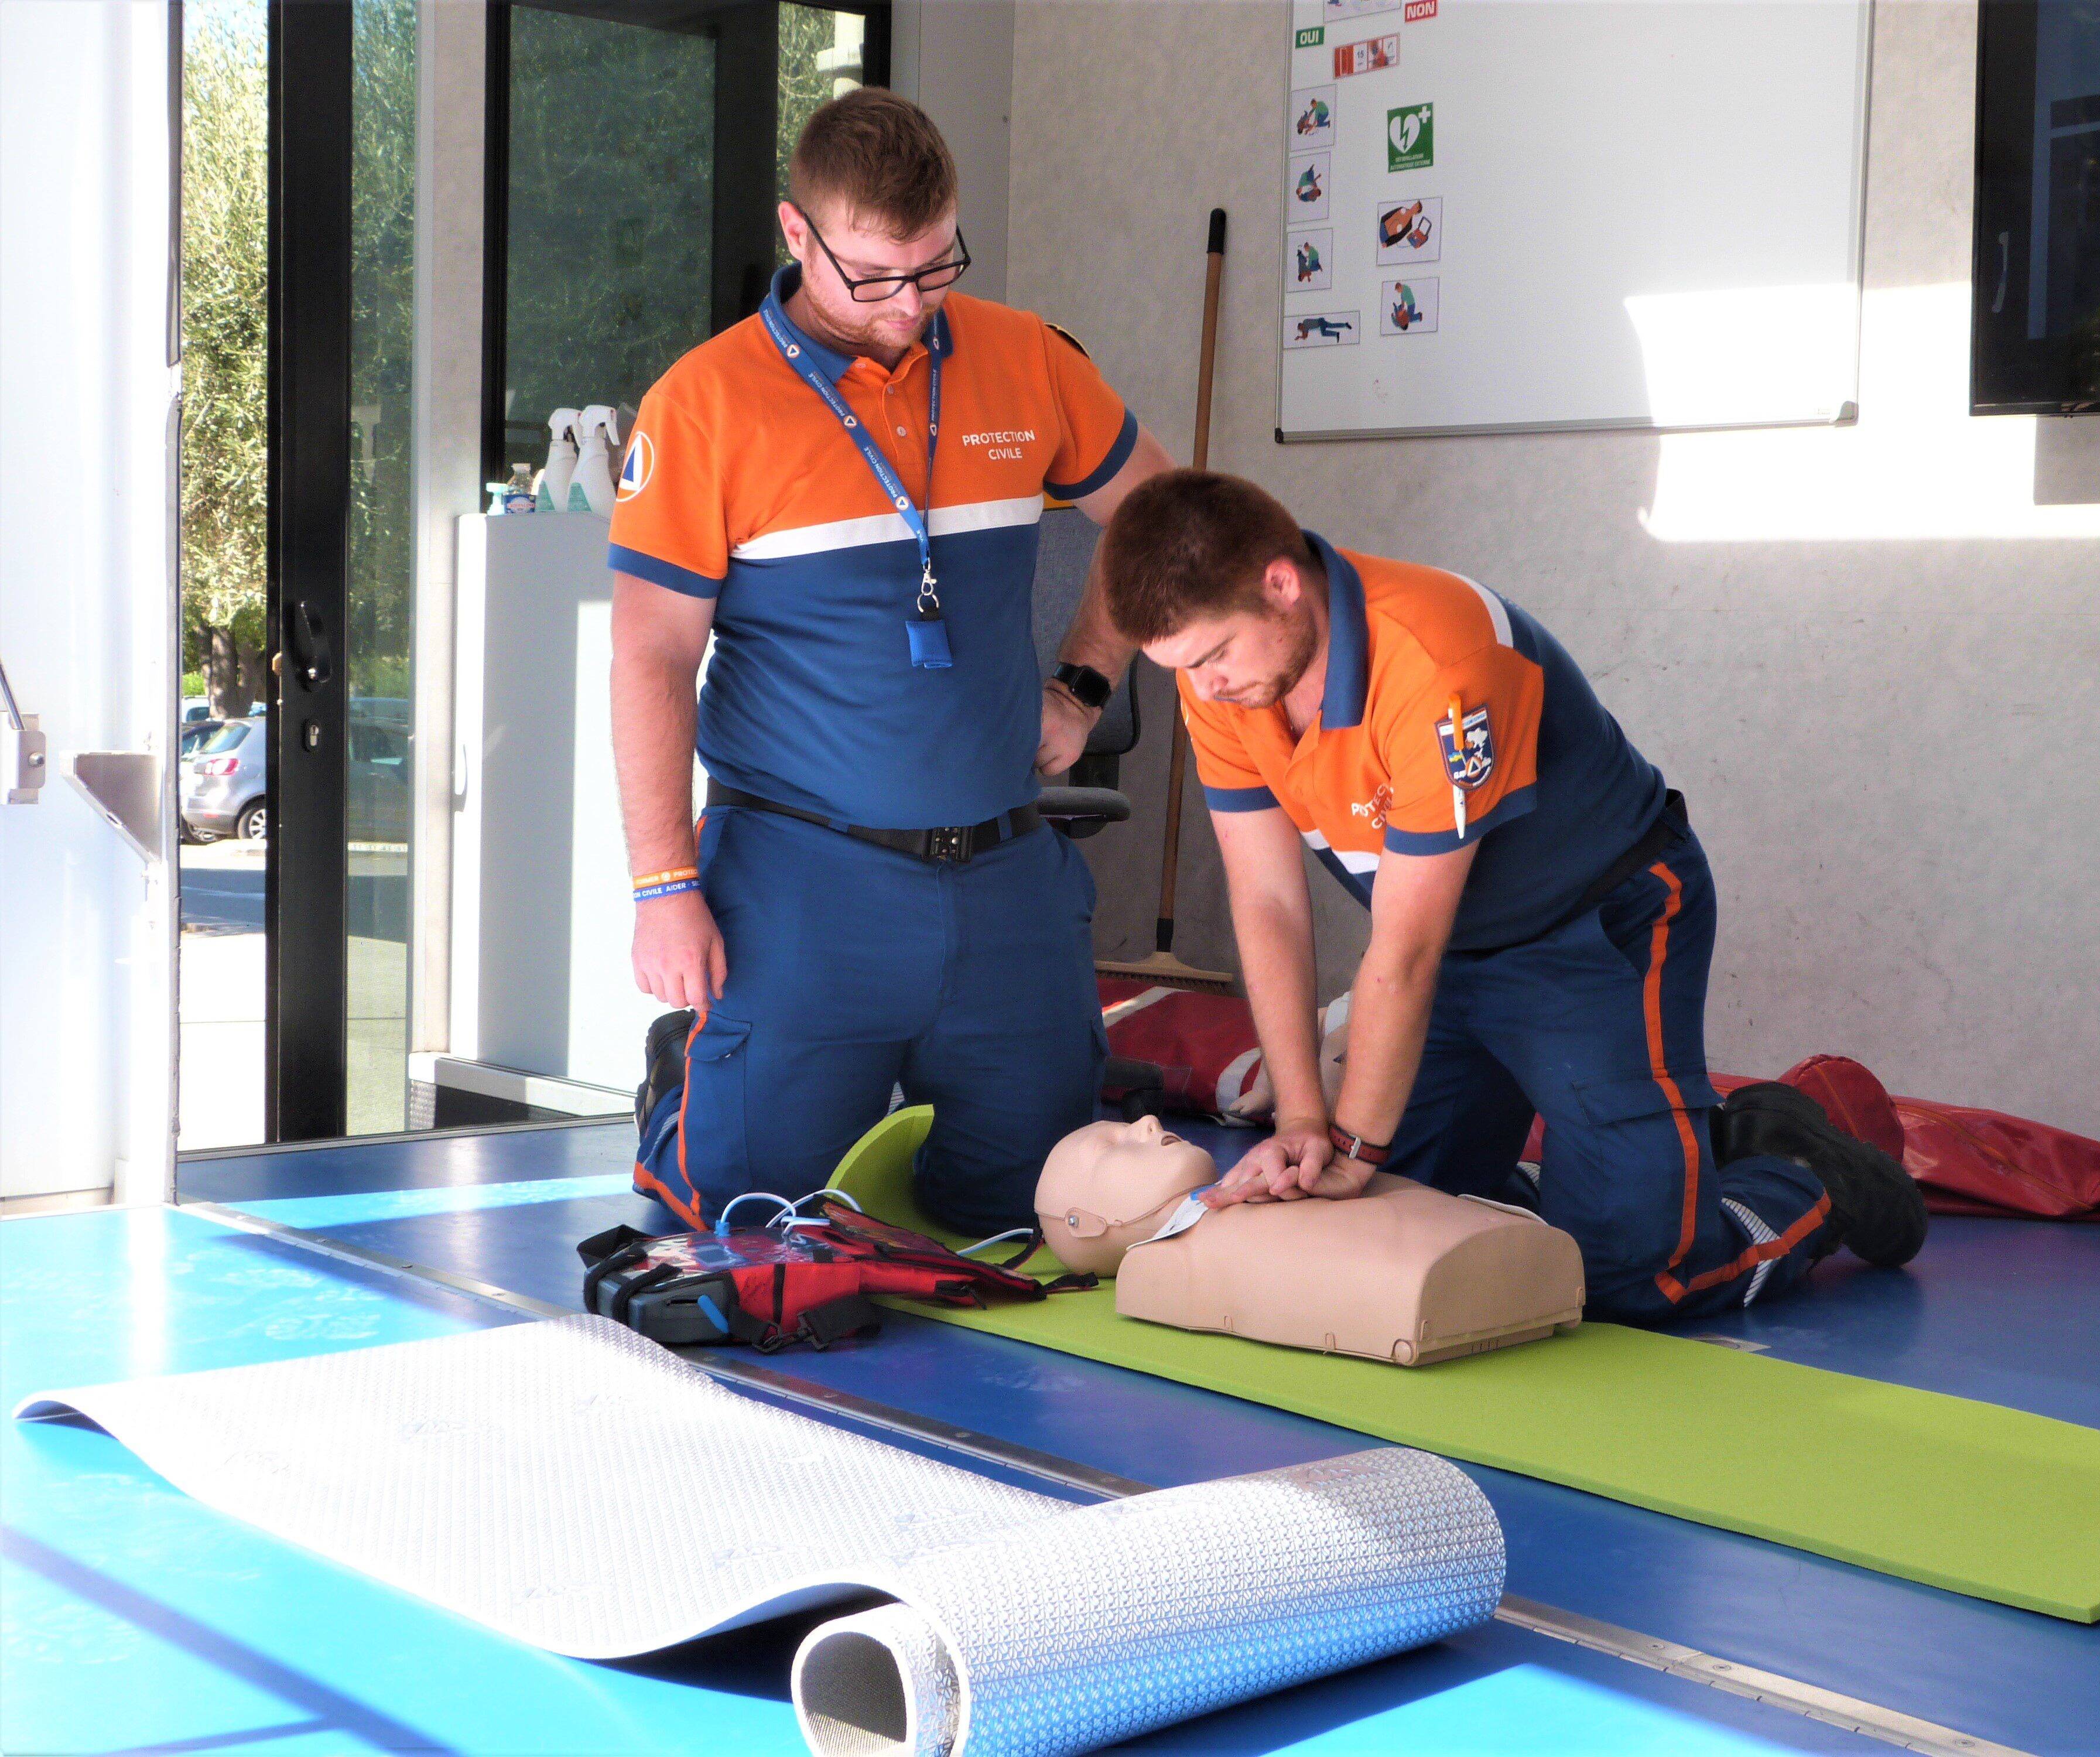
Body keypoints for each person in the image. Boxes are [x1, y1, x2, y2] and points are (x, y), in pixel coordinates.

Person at [1097, 470, 1927, 1324]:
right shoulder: (1230, 684)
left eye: (1210, 658)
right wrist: (1305, 1122)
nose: (1203, 691)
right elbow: (1268, 903)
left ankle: (1806, 1173)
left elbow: (1405, 955)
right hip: (1453, 941)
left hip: (1600, 926)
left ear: (1281, 585)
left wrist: (1350, 1144)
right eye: (1178, 673)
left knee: (1628, 1281)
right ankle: (1643, 1161)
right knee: (1382, 1225)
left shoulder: (1438, 658)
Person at [608, 90, 1171, 1236]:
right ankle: (689, 1089)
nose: (909, 305)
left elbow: (1166, 518)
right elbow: (652, 656)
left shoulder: (1027, 358)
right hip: (804, 876)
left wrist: (1085, 680)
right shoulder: (705, 404)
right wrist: (664, 892)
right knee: (758, 1219)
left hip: (1006, 868)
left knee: (1034, 1220)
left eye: (935, 266)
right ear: (796, 234)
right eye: (872, 276)